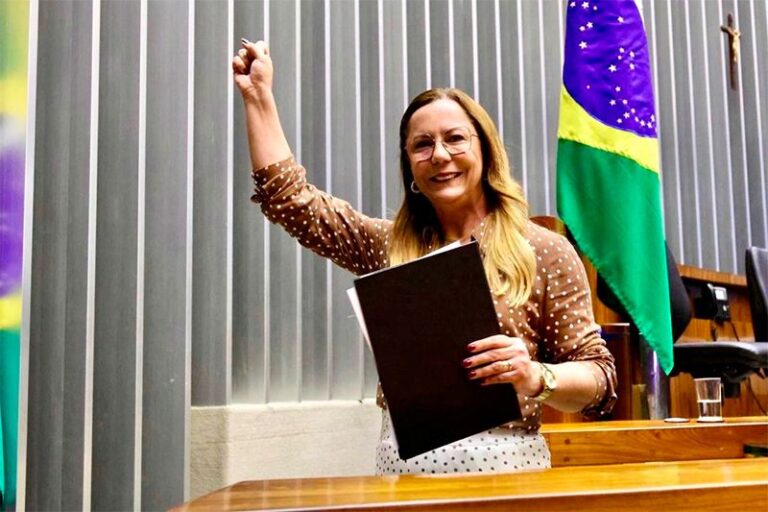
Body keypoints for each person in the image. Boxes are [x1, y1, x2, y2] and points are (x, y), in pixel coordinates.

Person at [232, 39, 617, 475]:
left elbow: (599, 378)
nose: (440, 155)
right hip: (402, 473)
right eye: (422, 145)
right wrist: (258, 97)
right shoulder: (386, 245)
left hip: (508, 472)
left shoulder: (543, 250)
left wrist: (535, 376)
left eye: (455, 139)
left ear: (486, 150)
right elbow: (290, 200)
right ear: (410, 165)